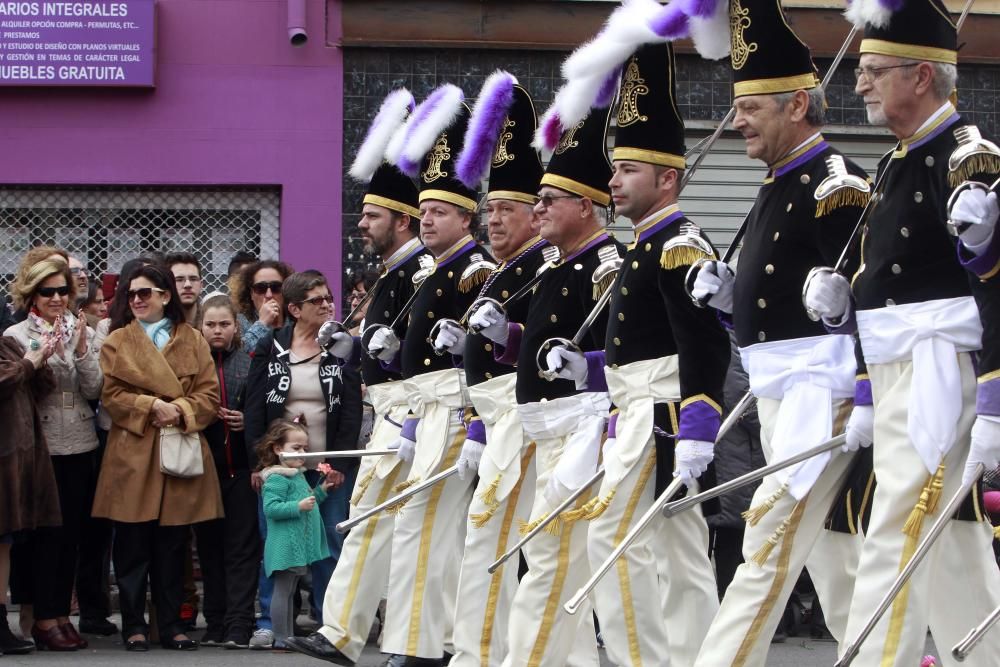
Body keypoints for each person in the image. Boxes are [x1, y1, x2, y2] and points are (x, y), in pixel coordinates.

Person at [803, 0, 1000, 662]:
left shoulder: (967, 159)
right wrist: (845, 310)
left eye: (875, 69)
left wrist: (997, 392)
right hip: (898, 371)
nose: (859, 83)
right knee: (953, 548)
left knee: (895, 528)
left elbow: (995, 284)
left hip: (938, 368)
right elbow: (887, 281)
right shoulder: (897, 161)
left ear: (921, 76)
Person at [687, 2, 873, 662]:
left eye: (751, 109)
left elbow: (863, 304)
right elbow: (775, 306)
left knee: (766, 541)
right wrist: (730, 302)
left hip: (821, 397)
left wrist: (864, 387)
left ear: (798, 105)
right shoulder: (774, 183)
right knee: (833, 558)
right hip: (777, 393)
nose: (736, 121)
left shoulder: (836, 187)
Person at [538, 42, 730, 665]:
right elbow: (638, 346)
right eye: (614, 169)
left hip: (665, 415)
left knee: (620, 538)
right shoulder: (645, 245)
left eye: (628, 171)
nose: (613, 181)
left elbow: (701, 340)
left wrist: (701, 417)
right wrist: (588, 369)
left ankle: (640, 659)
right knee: (674, 548)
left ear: (668, 177)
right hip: (637, 410)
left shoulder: (679, 242)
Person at [284, 90, 431, 666]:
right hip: (392, 416)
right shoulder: (395, 273)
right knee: (370, 523)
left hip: (420, 415)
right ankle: (341, 632)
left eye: (372, 215)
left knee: (412, 532)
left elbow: (433, 363)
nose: (363, 224)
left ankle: (417, 641)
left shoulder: (423, 271)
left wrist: (375, 357)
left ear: (402, 217)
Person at [474, 105, 621, 667]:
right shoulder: (555, 263)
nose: (538, 211)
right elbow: (536, 351)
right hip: (548, 426)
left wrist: (588, 366)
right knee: (559, 561)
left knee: (548, 555)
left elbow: (625, 356)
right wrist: (505, 336)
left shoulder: (606, 261)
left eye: (547, 201)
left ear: (584, 205)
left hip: (583, 424)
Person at [368, 89, 494, 665]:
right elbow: (418, 361)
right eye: (425, 211)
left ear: (466, 216)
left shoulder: (473, 269)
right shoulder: (435, 269)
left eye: (438, 211)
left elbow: (478, 365)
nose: (426, 219)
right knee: (423, 528)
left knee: (440, 529)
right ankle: (426, 640)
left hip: (464, 410)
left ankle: (431, 643)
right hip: (426, 409)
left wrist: (472, 420)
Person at [435, 76, 557, 667]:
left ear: (536, 216)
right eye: (490, 210)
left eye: (508, 210)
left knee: (496, 533)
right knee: (495, 537)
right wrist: (476, 426)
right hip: (494, 415)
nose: (494, 221)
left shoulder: (546, 265)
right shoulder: (501, 271)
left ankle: (479, 655)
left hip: (527, 411)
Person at [91, 263, 223, 652]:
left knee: (173, 546)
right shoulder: (118, 340)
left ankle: (171, 625)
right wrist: (151, 404)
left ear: (165, 296)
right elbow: (111, 397)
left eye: (144, 293)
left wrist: (180, 409)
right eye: (130, 294)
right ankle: (133, 624)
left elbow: (209, 397)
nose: (136, 300)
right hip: (132, 452)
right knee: (131, 547)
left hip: (177, 450)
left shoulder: (194, 339)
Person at [245, 270, 363, 650]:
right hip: (281, 467)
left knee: (329, 543)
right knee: (277, 545)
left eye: (329, 298)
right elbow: (254, 407)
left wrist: (340, 465)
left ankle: (328, 624)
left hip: (326, 466)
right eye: (317, 300)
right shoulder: (271, 346)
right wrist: (259, 464)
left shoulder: (340, 345)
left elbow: (351, 410)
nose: (327, 305)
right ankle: (270, 622)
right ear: (295, 309)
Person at [5, 259, 103, 651]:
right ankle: (44, 617)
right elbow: (20, 389)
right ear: (32, 294)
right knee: (45, 536)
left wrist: (81, 350)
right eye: (48, 292)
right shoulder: (16, 334)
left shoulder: (85, 331)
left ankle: (62, 614)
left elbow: (96, 390)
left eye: (64, 291)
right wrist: (41, 356)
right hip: (40, 443)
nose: (58, 298)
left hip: (80, 438)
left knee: (72, 537)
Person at [193, 294, 261, 649]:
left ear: (236, 327)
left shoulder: (249, 362)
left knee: (241, 550)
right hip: (203, 475)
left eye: (224, 324)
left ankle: (238, 624)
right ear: (200, 326)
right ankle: (215, 622)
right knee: (209, 550)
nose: (217, 331)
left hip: (241, 473)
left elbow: (266, 413)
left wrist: (246, 423)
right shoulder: (193, 363)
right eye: (210, 324)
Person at [0, 328, 60, 656]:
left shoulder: (7, 344)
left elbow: (41, 388)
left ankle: (1, 626)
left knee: (4, 545)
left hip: (15, 466)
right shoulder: (14, 352)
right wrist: (27, 363)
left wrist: (43, 359)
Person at [255, 416, 337, 652]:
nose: (302, 452)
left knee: (289, 590)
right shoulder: (277, 477)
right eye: (296, 448)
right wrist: (297, 507)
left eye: (305, 448)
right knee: (284, 591)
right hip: (286, 546)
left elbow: (308, 501)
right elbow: (271, 508)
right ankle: (281, 637)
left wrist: (322, 490)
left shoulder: (296, 474)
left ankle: (287, 637)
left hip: (297, 546)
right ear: (278, 449)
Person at [234, 259, 293, 353]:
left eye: (276, 287)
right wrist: (262, 323)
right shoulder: (238, 322)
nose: (269, 295)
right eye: (260, 288)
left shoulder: (297, 320)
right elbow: (238, 358)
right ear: (251, 294)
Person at [166, 252, 205, 325]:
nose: (188, 285)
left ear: (201, 286)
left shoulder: (213, 324)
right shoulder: (158, 329)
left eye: (193, 279)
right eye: (179, 279)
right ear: (168, 285)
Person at [346, 269, 378, 336]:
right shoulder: (345, 336)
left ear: (377, 299)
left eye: (361, 297)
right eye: (352, 297)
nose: (354, 303)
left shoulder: (388, 333)